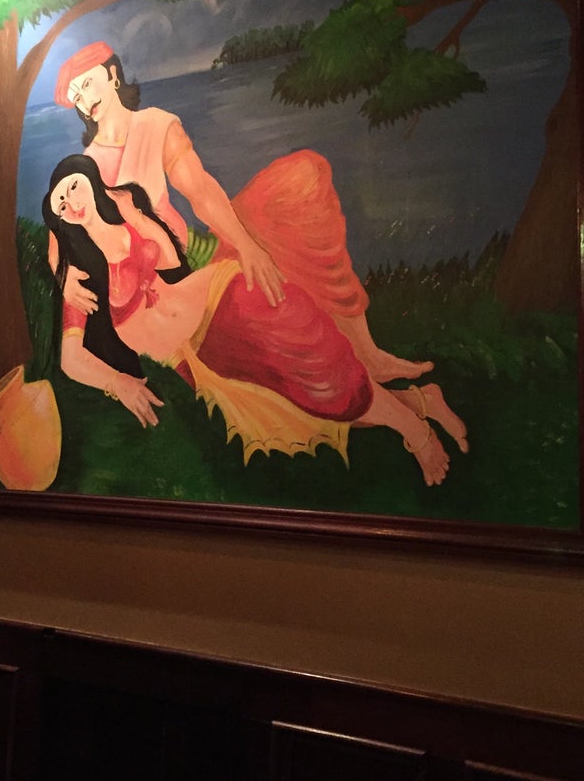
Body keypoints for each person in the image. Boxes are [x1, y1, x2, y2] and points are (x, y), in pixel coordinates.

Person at [42, 155, 468, 486]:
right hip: (191, 360)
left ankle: (415, 432)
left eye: (74, 187)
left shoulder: (130, 216)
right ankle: (421, 403)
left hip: (216, 298)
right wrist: (117, 382)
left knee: (315, 365)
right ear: (58, 220)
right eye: (61, 203)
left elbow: (173, 267)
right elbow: (70, 358)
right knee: (298, 410)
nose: (72, 203)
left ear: (90, 181)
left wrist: (137, 218)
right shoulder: (76, 277)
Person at [50, 41, 432, 383]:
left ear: (112, 75)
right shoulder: (82, 169)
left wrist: (247, 245)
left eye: (87, 84)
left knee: (302, 181)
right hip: (169, 284)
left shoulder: (154, 125)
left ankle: (367, 354)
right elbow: (60, 238)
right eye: (75, 96)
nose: (83, 100)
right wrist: (63, 278)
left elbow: (200, 192)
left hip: (198, 250)